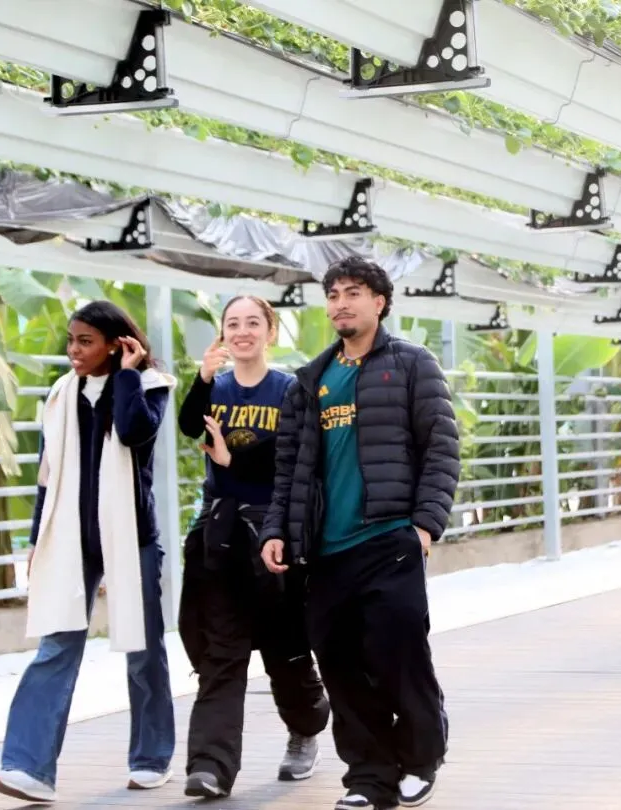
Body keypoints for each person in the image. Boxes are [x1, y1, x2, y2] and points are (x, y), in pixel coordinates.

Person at [260, 256, 459, 810]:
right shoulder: (310, 381)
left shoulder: (413, 364)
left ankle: (420, 757)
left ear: (379, 302)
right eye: (333, 295)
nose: (341, 303)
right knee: (341, 665)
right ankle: (369, 778)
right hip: (326, 552)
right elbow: (289, 470)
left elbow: (441, 448)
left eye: (353, 292)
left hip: (390, 538)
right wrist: (276, 530)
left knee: (399, 654)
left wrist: (425, 527)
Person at [0, 301, 178, 803]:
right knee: (55, 646)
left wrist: (128, 375)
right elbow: (46, 478)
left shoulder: (149, 386)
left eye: (86, 342)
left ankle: (151, 757)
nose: (73, 350)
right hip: (70, 538)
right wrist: (37, 541)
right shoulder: (59, 395)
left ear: (116, 345)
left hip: (130, 537)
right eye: (71, 340)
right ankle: (27, 768)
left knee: (142, 650)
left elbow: (135, 433)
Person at [176, 295, 330, 799]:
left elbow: (292, 460)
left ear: (271, 331)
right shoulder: (215, 387)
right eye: (232, 324)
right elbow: (188, 425)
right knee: (222, 650)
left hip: (273, 532)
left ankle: (306, 728)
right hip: (221, 535)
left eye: (252, 323)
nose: (242, 332)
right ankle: (210, 766)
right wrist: (202, 378)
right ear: (223, 333)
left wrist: (232, 462)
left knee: (285, 648)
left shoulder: (289, 389)